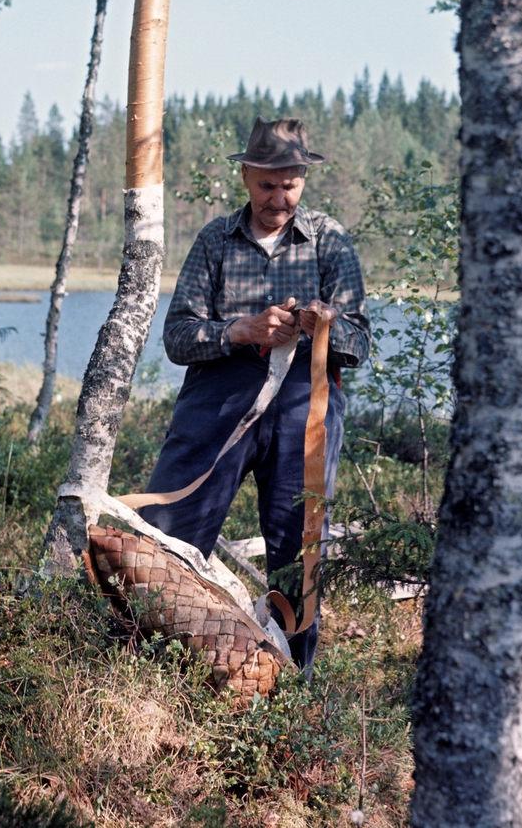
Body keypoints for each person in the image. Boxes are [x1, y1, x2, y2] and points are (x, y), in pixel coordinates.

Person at [141, 116, 370, 670]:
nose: (279, 196)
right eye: (268, 183)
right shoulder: (216, 240)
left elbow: (360, 342)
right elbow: (176, 336)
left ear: (304, 180)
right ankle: (153, 666)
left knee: (299, 551)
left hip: (304, 408)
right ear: (245, 176)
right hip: (217, 402)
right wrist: (237, 331)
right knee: (170, 535)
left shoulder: (329, 239)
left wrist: (324, 328)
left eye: (290, 184)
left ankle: (293, 685)